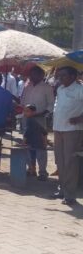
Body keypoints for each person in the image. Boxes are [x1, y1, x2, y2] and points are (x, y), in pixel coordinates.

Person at [50, 66, 83, 206]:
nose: (60, 78)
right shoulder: (60, 89)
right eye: (59, 76)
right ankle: (62, 190)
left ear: (73, 76)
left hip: (73, 130)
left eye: (63, 75)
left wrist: (80, 118)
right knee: (60, 161)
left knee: (70, 162)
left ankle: (70, 195)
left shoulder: (80, 89)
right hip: (58, 128)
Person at [20, 66, 55, 176]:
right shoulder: (27, 87)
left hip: (39, 120)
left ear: (41, 75)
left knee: (40, 147)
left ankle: (42, 171)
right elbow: (22, 102)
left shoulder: (47, 88)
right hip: (27, 120)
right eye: (31, 74)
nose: (31, 76)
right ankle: (31, 169)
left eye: (34, 74)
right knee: (28, 145)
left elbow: (51, 105)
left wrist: (41, 113)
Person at [22, 105, 49, 181]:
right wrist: (45, 142)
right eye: (24, 111)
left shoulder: (30, 121)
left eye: (27, 111)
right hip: (32, 143)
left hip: (37, 143)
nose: (25, 113)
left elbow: (27, 133)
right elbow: (44, 132)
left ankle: (42, 174)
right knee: (32, 158)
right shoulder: (31, 120)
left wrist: (23, 142)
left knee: (39, 159)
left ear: (33, 112)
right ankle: (33, 171)